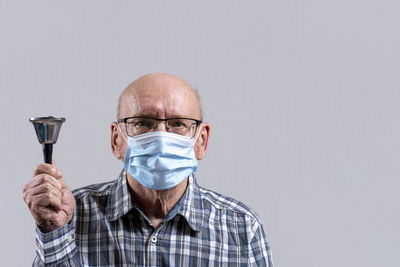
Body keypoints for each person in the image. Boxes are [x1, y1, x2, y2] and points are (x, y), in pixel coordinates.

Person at [23, 73, 273, 266]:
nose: (161, 136)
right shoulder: (71, 216)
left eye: (178, 124)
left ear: (202, 140)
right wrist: (54, 231)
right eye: (143, 122)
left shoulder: (240, 227)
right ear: (116, 140)